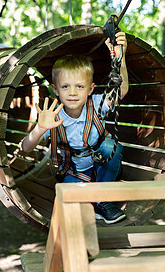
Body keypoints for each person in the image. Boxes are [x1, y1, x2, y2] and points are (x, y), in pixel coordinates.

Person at [21, 32, 129, 224]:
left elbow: (121, 90)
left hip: (101, 166)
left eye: (79, 86)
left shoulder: (96, 104)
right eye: (65, 87)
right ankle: (92, 202)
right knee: (66, 206)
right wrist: (39, 128)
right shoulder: (52, 117)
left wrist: (121, 58)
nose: (72, 92)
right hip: (75, 172)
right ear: (55, 90)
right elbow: (25, 148)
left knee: (111, 146)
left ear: (90, 89)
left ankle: (102, 200)